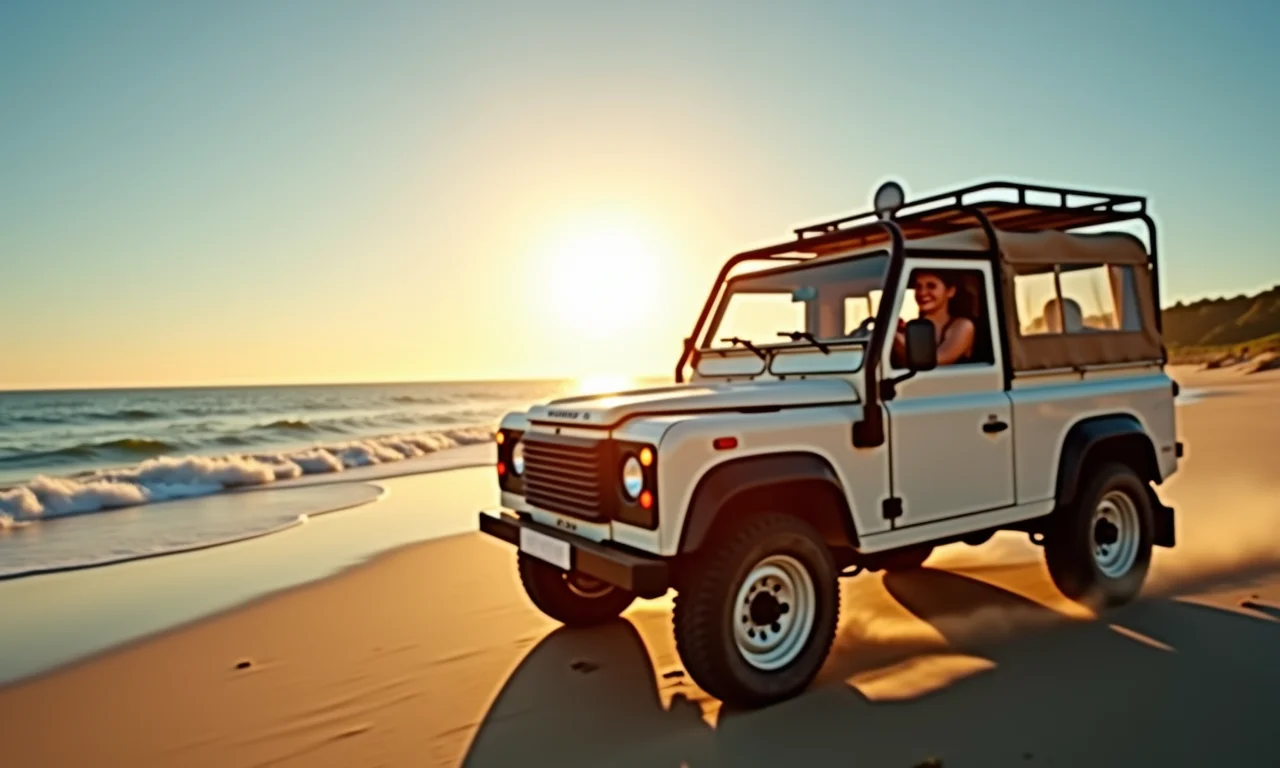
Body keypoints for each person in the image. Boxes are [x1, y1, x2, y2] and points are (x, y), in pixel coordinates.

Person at [892, 269, 976, 366]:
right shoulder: (913, 326)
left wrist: (894, 336)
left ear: (950, 292)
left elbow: (935, 361)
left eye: (931, 286)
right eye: (918, 287)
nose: (922, 292)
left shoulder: (963, 326)